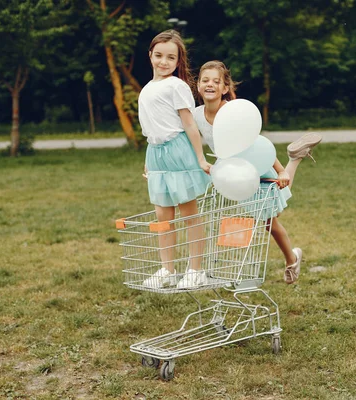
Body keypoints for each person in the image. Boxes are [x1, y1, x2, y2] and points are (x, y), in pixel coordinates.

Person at [193, 60, 322, 284]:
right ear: (198, 85)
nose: (210, 84)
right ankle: (290, 259)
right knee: (269, 217)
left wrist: (280, 170)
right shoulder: (195, 115)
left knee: (269, 218)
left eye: (216, 81)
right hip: (234, 174)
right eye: (205, 80)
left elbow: (255, 143)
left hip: (256, 163)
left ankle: (293, 160)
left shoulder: (232, 112)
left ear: (225, 88)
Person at [138, 30, 212, 289]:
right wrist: (150, 159)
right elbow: (150, 126)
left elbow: (189, 125)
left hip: (179, 152)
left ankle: (195, 269)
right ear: (150, 56)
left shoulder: (178, 86)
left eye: (171, 57)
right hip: (156, 154)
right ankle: (167, 270)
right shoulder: (147, 88)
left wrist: (200, 159)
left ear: (178, 60)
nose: (163, 62)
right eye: (158, 55)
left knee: (189, 214)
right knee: (162, 217)